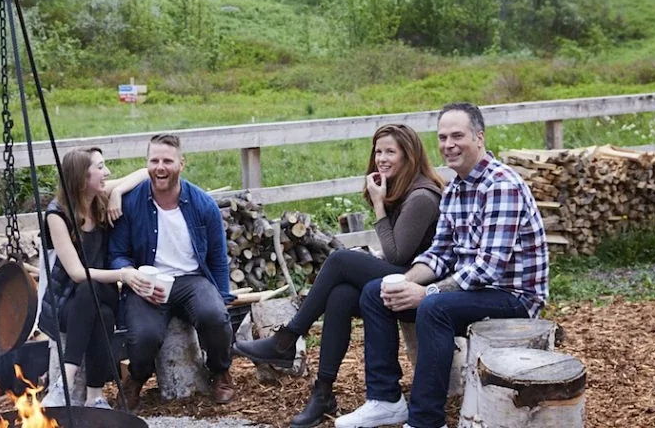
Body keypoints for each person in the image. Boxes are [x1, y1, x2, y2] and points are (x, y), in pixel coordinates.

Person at [334, 103, 549, 428]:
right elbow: (441, 254)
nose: (449, 144)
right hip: (473, 293)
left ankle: (426, 420)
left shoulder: (501, 185)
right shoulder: (455, 189)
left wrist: (426, 292)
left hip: (513, 297)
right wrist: (406, 283)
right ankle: (385, 400)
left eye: (457, 136)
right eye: (443, 137)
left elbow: (488, 269)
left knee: (434, 307)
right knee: (377, 293)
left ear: (479, 137)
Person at [233, 124, 445, 428]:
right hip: (400, 280)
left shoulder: (421, 196)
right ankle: (322, 393)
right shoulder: (403, 189)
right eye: (378, 151)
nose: (382, 158)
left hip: (421, 291)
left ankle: (287, 339)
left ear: (409, 156)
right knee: (341, 296)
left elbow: (397, 255)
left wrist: (379, 205)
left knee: (340, 260)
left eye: (391, 152)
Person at [109, 133, 236, 410]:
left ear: (181, 164)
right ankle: (136, 378)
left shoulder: (203, 204)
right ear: (146, 164)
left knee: (215, 316)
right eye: (154, 161)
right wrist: (129, 274)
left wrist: (223, 297)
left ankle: (220, 371)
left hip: (191, 280)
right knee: (144, 335)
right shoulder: (131, 203)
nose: (160, 167)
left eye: (167, 161)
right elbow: (117, 253)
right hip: (147, 280)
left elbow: (217, 257)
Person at [38, 147, 150, 409]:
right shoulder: (57, 215)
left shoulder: (99, 195)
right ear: (81, 177)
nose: (106, 172)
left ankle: (63, 385)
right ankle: (95, 397)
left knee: (92, 292)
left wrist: (117, 192)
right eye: (99, 168)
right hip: (67, 301)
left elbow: (145, 172)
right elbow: (77, 274)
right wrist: (123, 274)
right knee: (103, 313)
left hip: (104, 291)